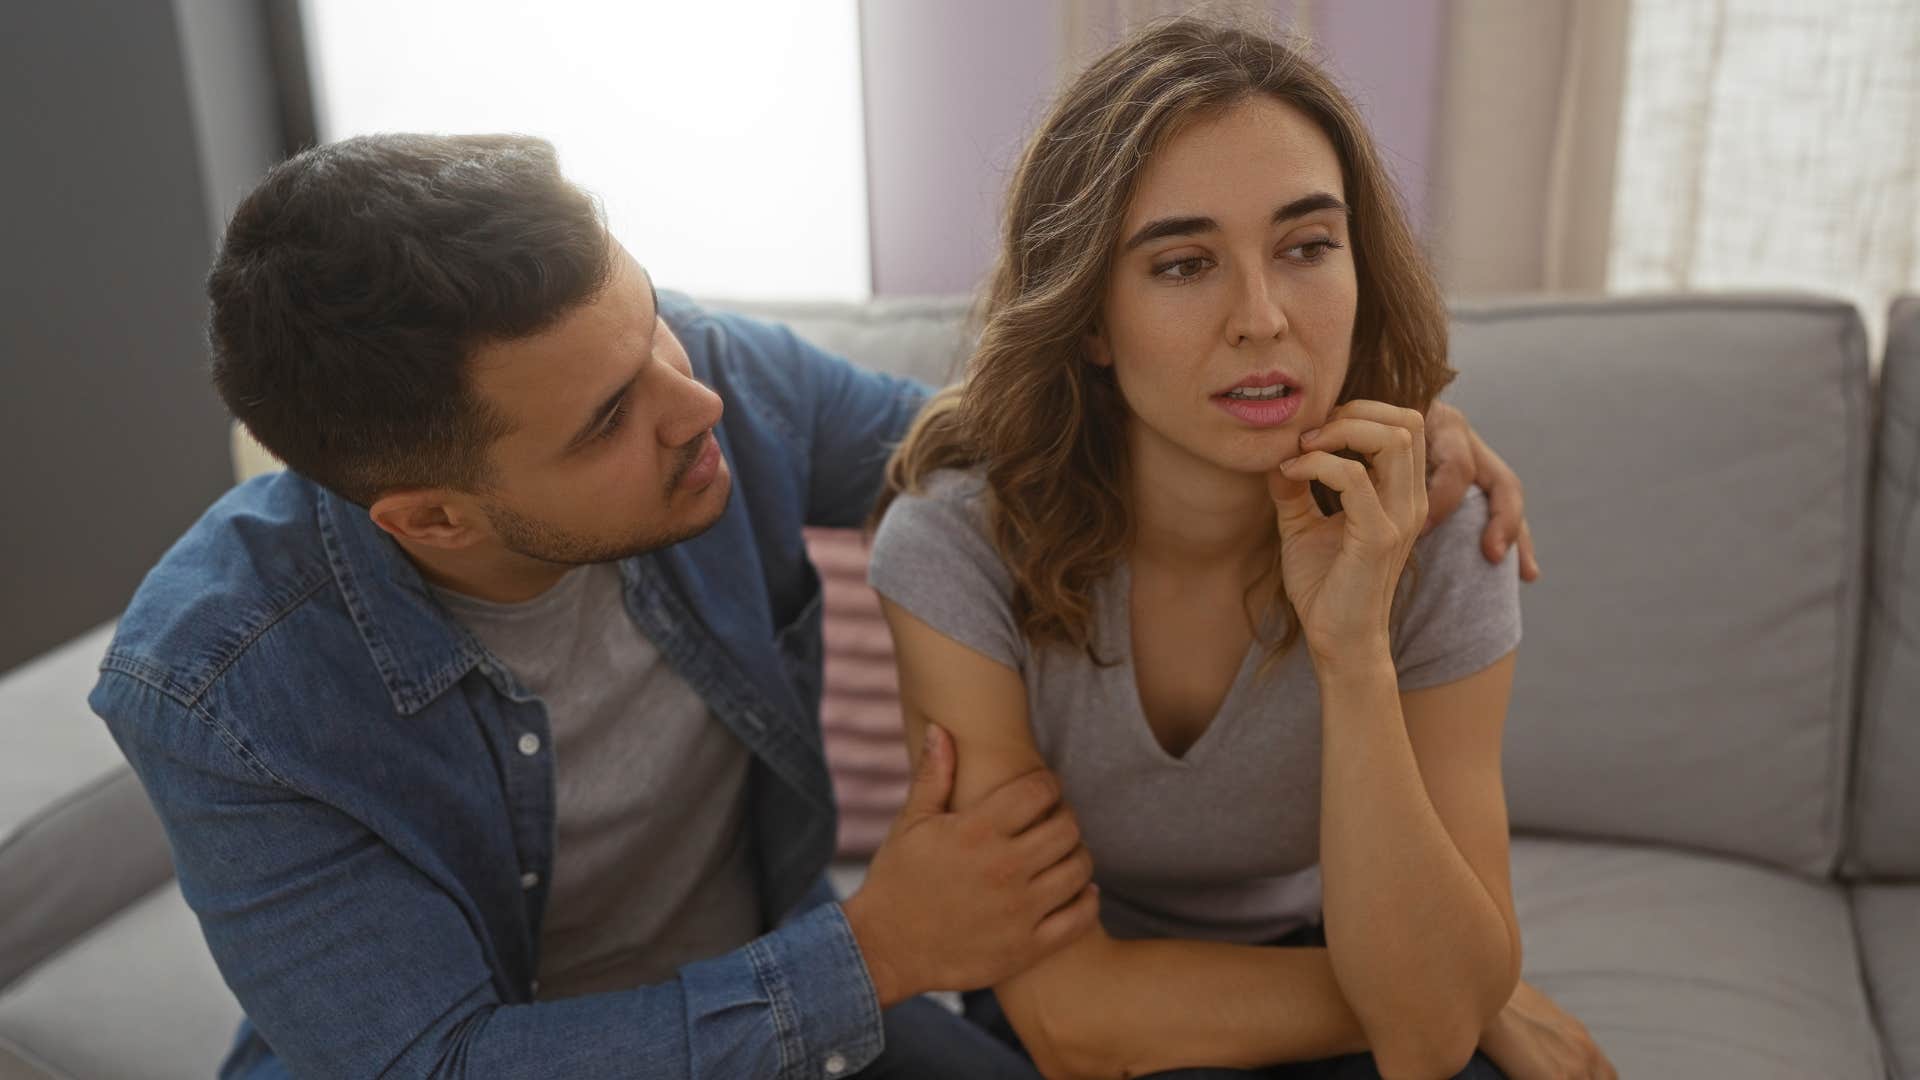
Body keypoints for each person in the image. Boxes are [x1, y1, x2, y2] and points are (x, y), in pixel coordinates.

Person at [88, 134, 1538, 1079]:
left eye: (652, 317)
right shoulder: (217, 689)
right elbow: (439, 1065)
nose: (695, 400)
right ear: (430, 516)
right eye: (608, 418)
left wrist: (1354, 432)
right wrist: (878, 953)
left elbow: (1031, 445)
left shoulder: (718, 391)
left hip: (802, 1021)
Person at [869, 18, 1613, 1080]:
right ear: (1088, 317)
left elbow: (1432, 1038)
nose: (1263, 318)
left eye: (1308, 247)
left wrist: (1353, 645)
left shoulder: (1438, 524)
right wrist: (1439, 995)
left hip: (1315, 944)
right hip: (1057, 1005)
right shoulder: (957, 546)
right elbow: (1074, 1018)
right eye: (1183, 265)